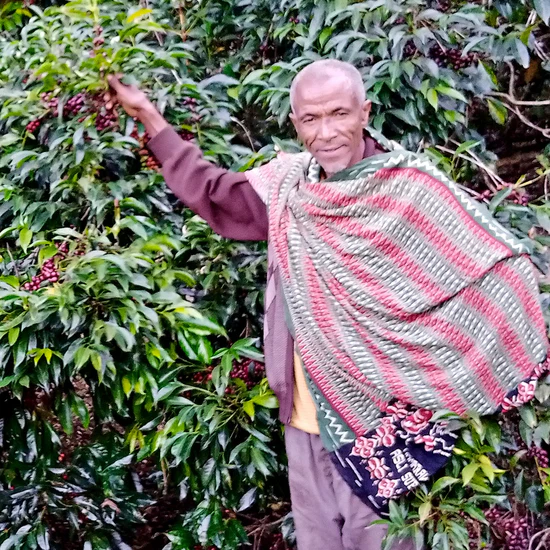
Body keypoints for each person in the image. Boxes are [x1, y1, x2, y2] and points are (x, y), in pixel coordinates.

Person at [106, 59, 549, 550]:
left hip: (387, 425)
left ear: (365, 112)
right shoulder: (289, 189)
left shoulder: (409, 187)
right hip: (305, 423)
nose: (326, 132)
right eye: (311, 119)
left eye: (339, 114)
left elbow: (494, 267)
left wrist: (475, 366)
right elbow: (216, 194)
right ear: (294, 123)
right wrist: (150, 117)